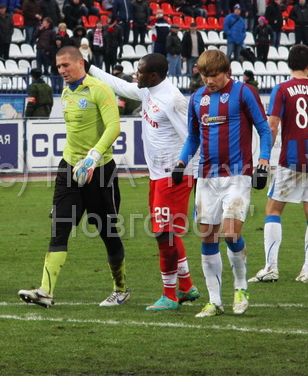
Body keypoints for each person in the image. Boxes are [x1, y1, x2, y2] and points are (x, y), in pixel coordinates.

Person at [87, 53, 201, 310]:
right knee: (167, 232)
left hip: (173, 175)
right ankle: (186, 286)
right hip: (158, 175)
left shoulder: (172, 100)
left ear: (154, 75)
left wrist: (186, 168)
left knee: (163, 234)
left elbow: (193, 138)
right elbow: (119, 85)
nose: (135, 75)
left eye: (140, 71)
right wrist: (90, 68)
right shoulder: (148, 90)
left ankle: (169, 295)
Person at [18, 46, 129, 308]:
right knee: (60, 227)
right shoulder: (66, 93)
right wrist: (76, 161)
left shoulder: (100, 89)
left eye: (65, 65)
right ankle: (45, 291)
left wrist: (93, 157)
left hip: (100, 171)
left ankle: (121, 289)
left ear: (81, 63)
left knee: (107, 231)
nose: (61, 71)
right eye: (58, 67)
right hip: (69, 169)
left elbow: (114, 126)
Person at [174, 49, 272, 317]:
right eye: (204, 76)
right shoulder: (197, 98)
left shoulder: (244, 92)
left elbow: (264, 129)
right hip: (207, 176)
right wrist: (182, 162)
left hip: (238, 174)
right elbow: (193, 137)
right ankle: (214, 301)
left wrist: (263, 162)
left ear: (227, 72)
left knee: (230, 233)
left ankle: (241, 287)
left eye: (214, 75)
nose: (209, 81)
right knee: (207, 235)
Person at [249, 45, 308, 284]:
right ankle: (307, 271)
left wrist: (265, 157)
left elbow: (272, 125)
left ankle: (271, 268)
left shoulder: (282, 89)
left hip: (291, 158)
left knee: (273, 210)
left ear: (288, 64)